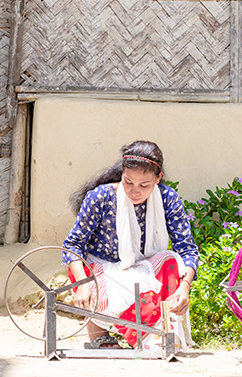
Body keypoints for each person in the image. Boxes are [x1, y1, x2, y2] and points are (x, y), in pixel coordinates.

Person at [62, 140, 200, 350]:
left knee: (171, 261)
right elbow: (73, 246)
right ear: (122, 174)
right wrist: (81, 283)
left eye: (144, 185)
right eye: (128, 182)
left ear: (158, 178)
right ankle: (100, 334)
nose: (135, 191)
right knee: (88, 277)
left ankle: (157, 334)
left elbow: (187, 250)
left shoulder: (167, 199)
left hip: (143, 271)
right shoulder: (101, 197)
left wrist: (184, 286)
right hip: (101, 271)